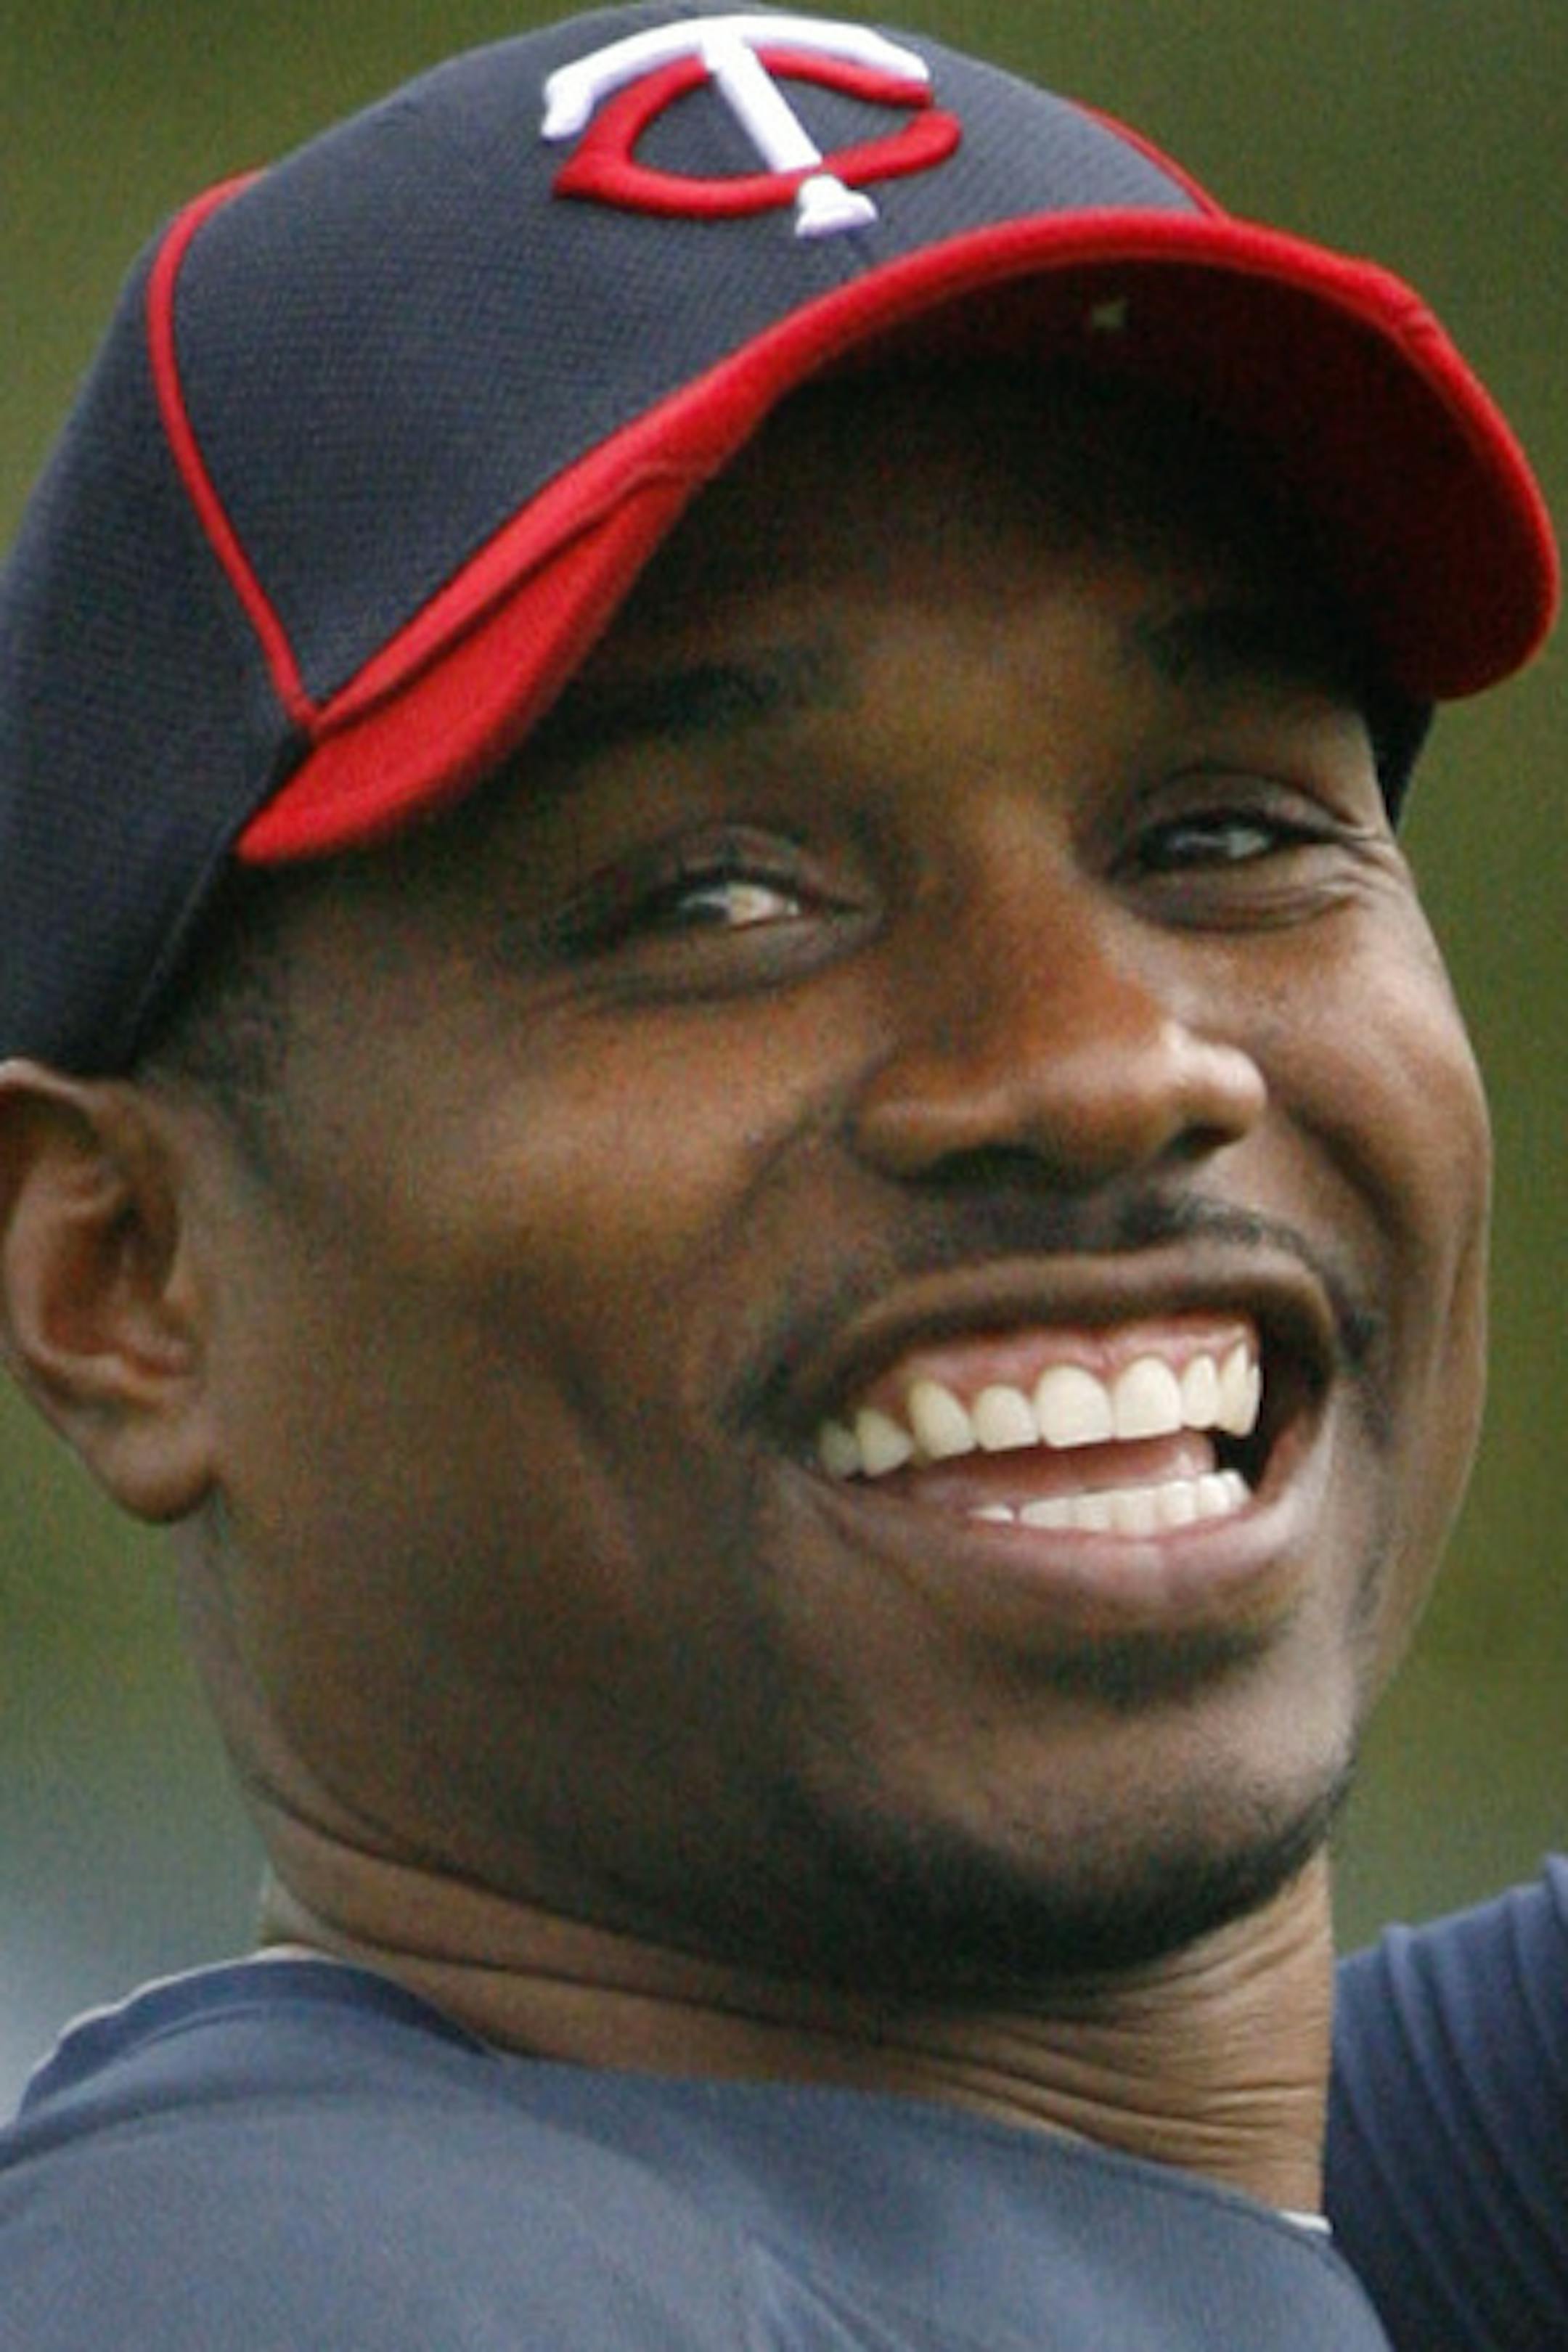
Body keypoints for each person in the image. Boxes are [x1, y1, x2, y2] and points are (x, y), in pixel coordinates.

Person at [0, 6, 1560, 2345]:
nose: (1106, 1061)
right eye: (720, 896)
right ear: (130, 1275)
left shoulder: (1236, 2233)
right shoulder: (297, 2274)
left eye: (1223, 833)